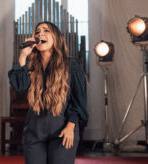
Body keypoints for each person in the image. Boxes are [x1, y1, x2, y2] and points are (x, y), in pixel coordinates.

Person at [8, 21, 88, 164]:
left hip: (62, 130)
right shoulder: (31, 65)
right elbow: (19, 85)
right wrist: (23, 56)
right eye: (37, 32)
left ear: (56, 37)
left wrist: (71, 126)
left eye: (46, 31)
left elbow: (79, 101)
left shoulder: (72, 65)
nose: (40, 34)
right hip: (34, 132)